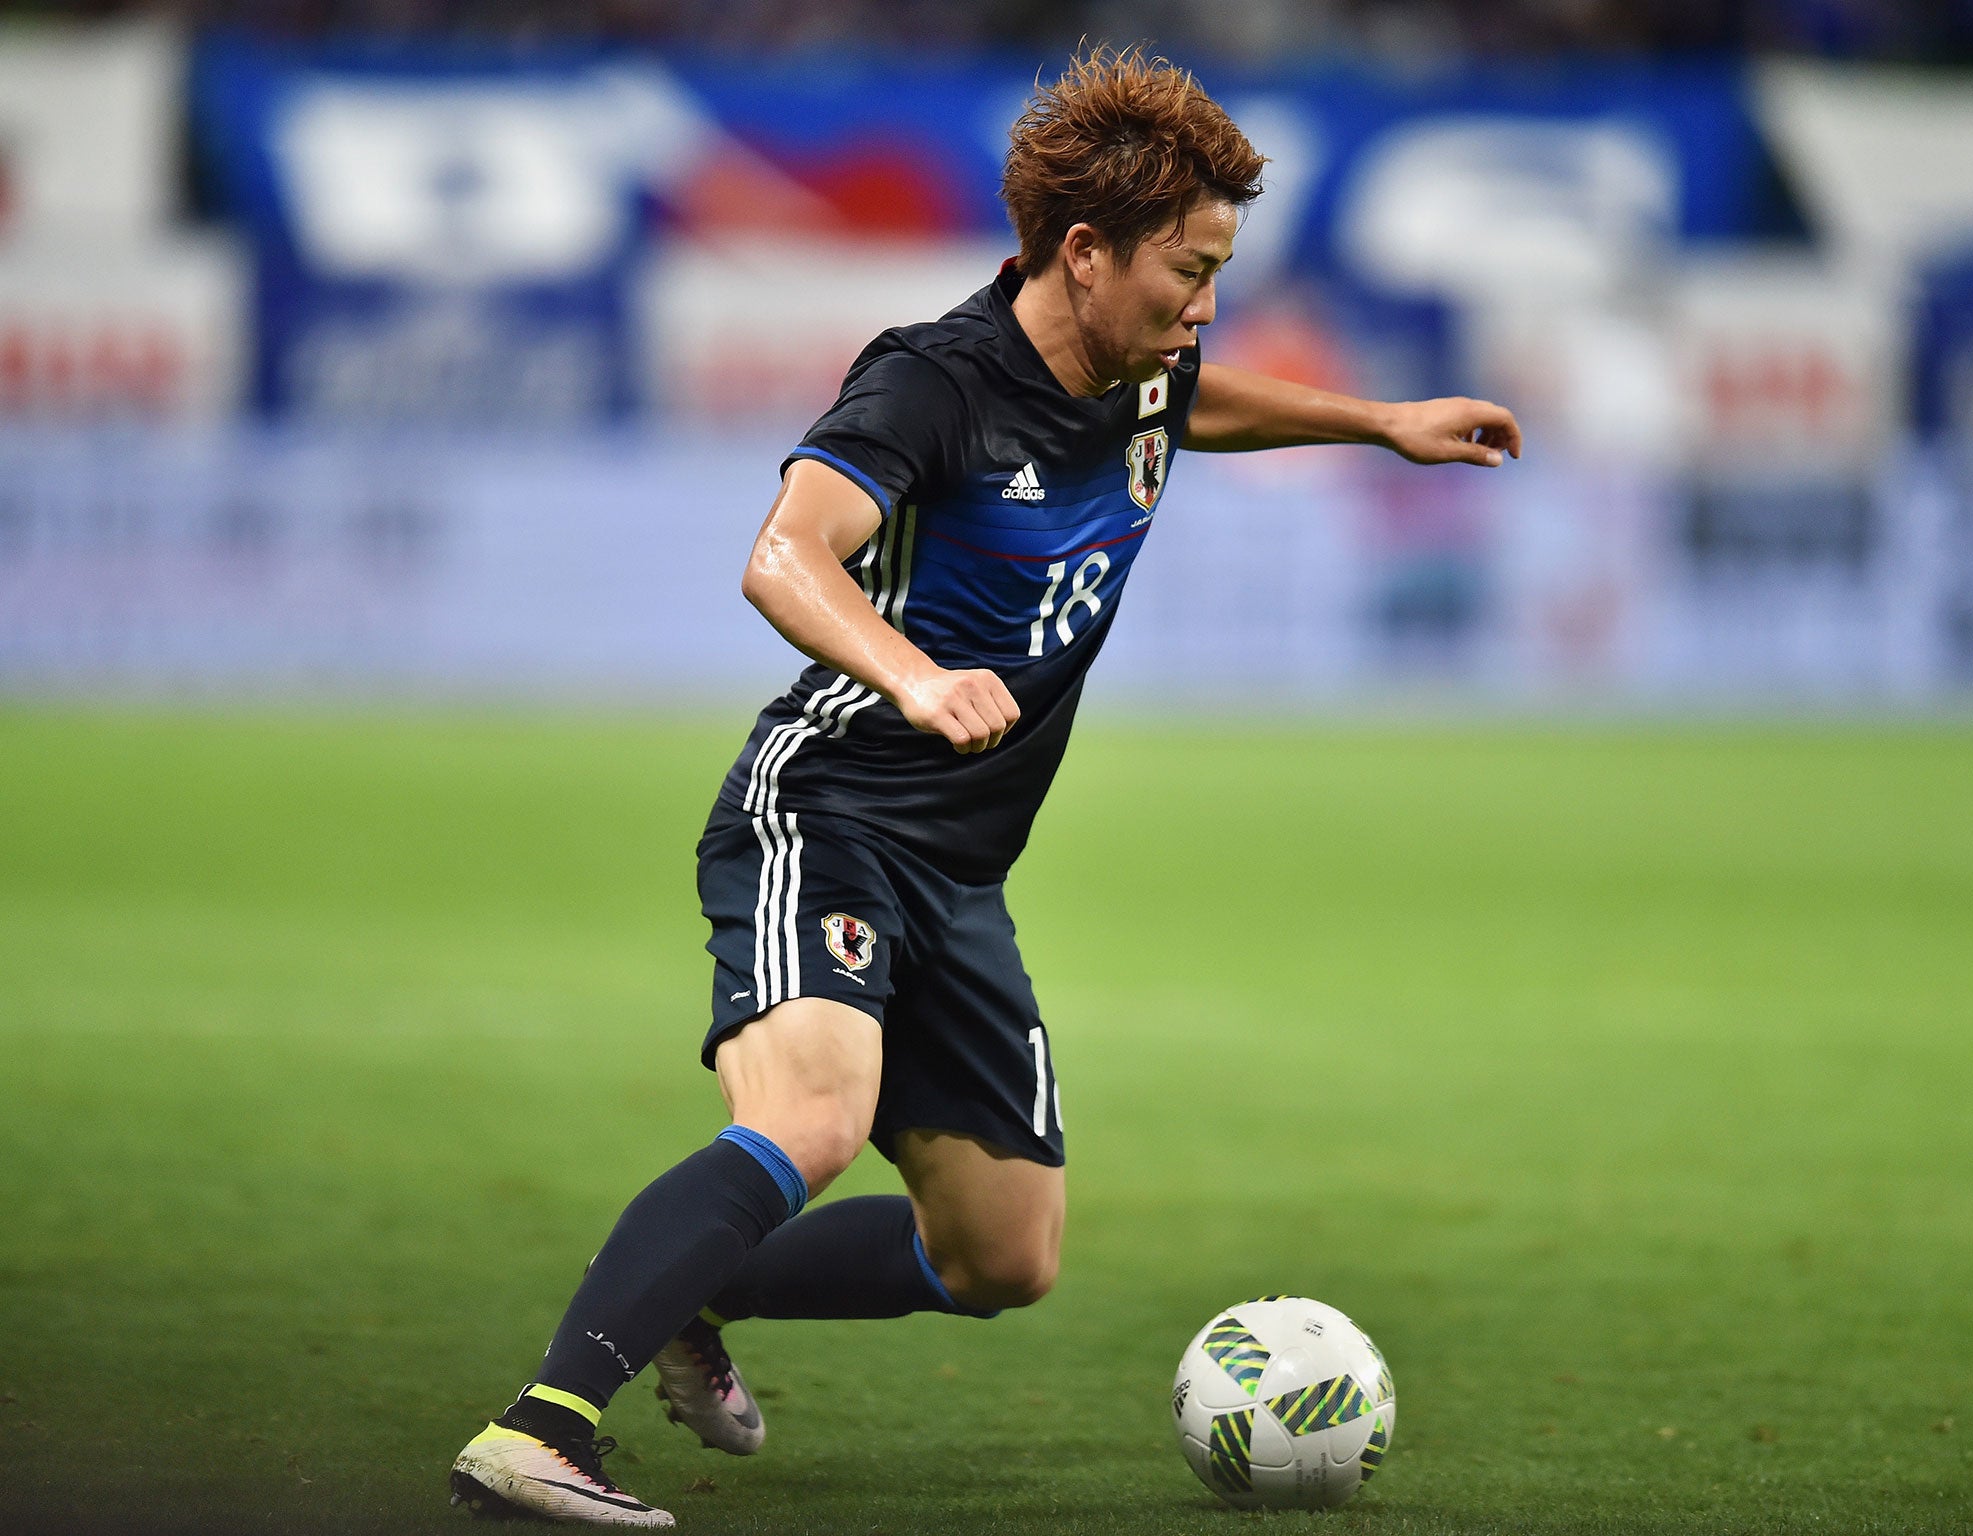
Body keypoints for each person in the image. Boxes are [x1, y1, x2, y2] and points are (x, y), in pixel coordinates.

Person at [451, 45, 1519, 1526]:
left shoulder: (1141, 368)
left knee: (1002, 1257)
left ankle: (687, 1291)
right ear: (1083, 254)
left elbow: (1193, 406)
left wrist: (1377, 422)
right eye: (1187, 270)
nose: (1203, 304)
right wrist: (910, 672)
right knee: (815, 1121)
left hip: (959, 873)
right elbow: (785, 553)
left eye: (1219, 268)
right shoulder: (935, 378)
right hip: (825, 812)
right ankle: (541, 1429)